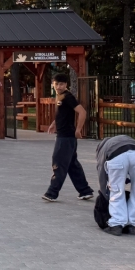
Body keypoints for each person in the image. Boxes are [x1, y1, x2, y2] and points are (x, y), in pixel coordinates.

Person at [42, 73, 94, 202]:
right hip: (63, 135)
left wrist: (78, 130)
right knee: (72, 164)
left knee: (58, 162)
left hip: (66, 137)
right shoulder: (59, 96)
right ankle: (85, 191)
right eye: (56, 84)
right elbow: (62, 113)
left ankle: (52, 193)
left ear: (66, 85)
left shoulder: (68, 97)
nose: (59, 86)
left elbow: (82, 112)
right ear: (53, 84)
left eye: (61, 84)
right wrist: (54, 123)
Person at [94, 134, 135, 236]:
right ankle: (131, 225)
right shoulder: (125, 139)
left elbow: (101, 173)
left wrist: (104, 194)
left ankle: (116, 224)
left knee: (117, 191)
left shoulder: (103, 148)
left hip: (117, 157)